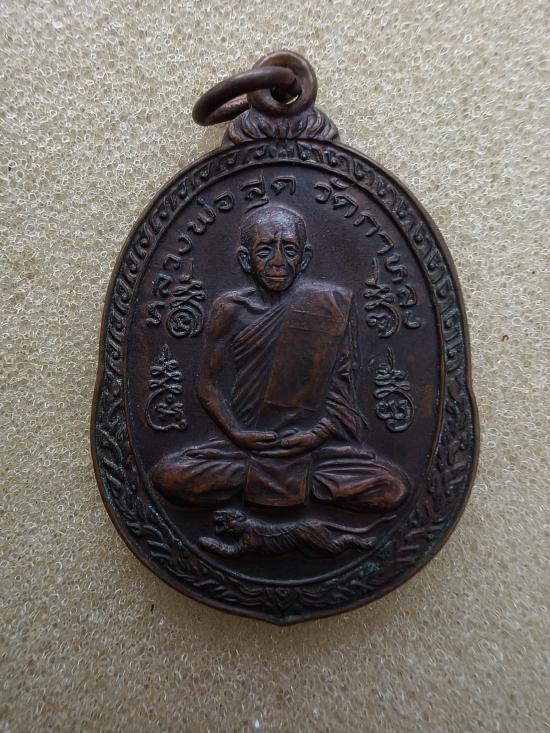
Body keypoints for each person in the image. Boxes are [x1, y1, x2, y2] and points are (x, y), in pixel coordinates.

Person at [152, 205, 408, 512]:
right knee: (167, 476)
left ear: (305, 259)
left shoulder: (331, 306)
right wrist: (236, 433)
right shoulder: (229, 309)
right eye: (264, 250)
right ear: (245, 260)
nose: (277, 261)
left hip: (312, 450)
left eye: (289, 250)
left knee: (392, 488)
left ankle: (269, 484)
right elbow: (207, 383)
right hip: (246, 447)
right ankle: (295, 487)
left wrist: (315, 436)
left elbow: (344, 395)